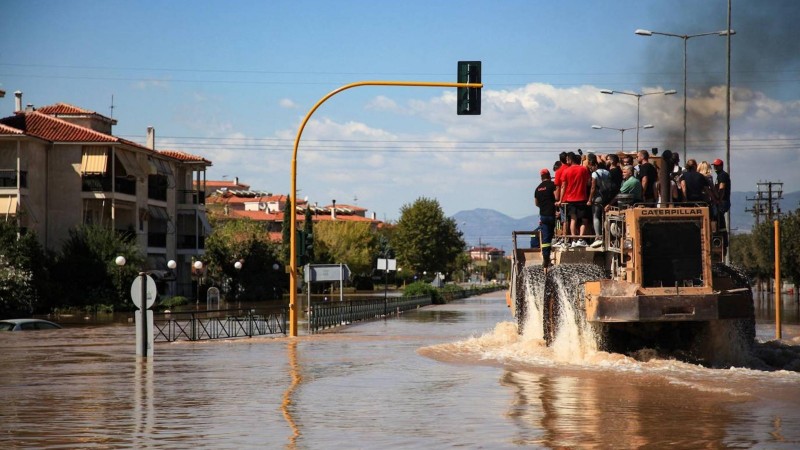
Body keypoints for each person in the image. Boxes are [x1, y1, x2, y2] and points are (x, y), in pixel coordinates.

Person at [556, 152, 590, 247]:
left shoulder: (566, 171)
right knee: (584, 220)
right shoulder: (583, 169)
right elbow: (588, 182)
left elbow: (563, 186)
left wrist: (561, 200)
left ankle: (574, 239)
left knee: (573, 219)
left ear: (570, 160)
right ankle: (581, 239)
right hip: (582, 198)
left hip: (570, 199)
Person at [587, 159, 612, 248]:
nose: (590, 169)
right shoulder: (607, 172)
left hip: (598, 197)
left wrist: (590, 199)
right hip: (607, 197)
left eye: (591, 167)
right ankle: (607, 235)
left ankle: (598, 237)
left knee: (596, 216)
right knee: (605, 216)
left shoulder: (594, 174)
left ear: (595, 165)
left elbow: (593, 188)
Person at [534, 168, 557, 267]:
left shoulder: (537, 188)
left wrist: (543, 206)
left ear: (541, 177)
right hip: (553, 215)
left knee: (546, 238)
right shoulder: (552, 185)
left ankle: (546, 258)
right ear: (549, 175)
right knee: (556, 234)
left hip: (543, 216)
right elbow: (557, 197)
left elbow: (536, 203)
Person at [712, 158, 731, 229]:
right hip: (721, 201)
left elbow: (722, 187)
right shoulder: (719, 175)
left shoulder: (723, 175)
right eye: (714, 165)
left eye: (717, 165)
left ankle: (721, 232)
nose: (715, 167)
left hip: (723, 201)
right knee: (718, 217)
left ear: (721, 166)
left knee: (718, 217)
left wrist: (718, 199)